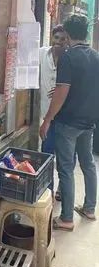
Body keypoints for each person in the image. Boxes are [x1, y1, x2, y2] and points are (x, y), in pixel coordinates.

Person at [40, 15, 99, 231]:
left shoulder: (68, 57)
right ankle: (90, 209)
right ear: (86, 33)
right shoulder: (96, 56)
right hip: (89, 123)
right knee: (88, 164)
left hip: (69, 123)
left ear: (66, 32)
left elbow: (62, 92)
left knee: (65, 168)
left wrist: (47, 119)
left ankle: (66, 218)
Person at [39, 25, 67, 197]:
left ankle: (62, 188)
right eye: (56, 38)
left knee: (65, 158)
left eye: (62, 39)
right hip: (47, 116)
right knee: (47, 154)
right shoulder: (43, 54)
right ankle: (48, 190)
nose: (58, 42)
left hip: (65, 117)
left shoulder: (70, 59)